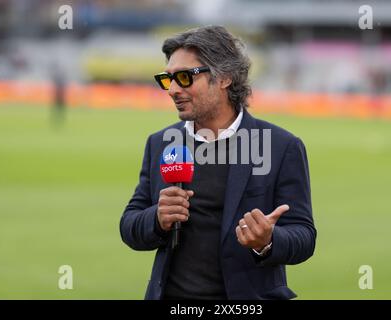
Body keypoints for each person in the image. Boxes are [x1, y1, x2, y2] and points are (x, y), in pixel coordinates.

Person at [120, 26, 316, 300]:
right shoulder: (161, 143)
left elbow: (304, 237)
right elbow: (129, 225)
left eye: (185, 77)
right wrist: (157, 219)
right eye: (168, 79)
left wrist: (268, 241)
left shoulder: (281, 146)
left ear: (224, 77)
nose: (173, 90)